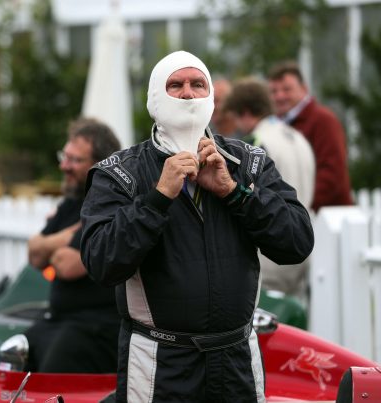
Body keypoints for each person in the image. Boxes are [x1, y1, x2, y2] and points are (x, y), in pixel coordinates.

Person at [80, 50, 314, 402]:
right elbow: (101, 262)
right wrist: (158, 198)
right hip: (160, 364)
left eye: (197, 84)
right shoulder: (120, 173)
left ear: (211, 97)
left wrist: (234, 194)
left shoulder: (246, 162)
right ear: (155, 97)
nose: (188, 93)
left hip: (236, 361)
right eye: (176, 85)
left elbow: (297, 241)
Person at [24, 117, 121, 374]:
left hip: (96, 328)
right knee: (14, 355)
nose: (64, 166)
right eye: (64, 157)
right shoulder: (72, 203)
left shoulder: (109, 204)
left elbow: (67, 265)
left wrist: (50, 247)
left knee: (55, 369)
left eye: (75, 160)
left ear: (99, 165)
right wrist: (71, 234)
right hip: (58, 321)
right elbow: (34, 255)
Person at [224, 77, 315, 301]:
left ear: (245, 112)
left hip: (271, 253)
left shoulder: (256, 143)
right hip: (301, 248)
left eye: (236, 117)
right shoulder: (297, 137)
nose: (236, 125)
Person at [268, 60, 353, 212]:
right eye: (274, 91)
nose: (279, 96)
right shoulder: (276, 126)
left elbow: (332, 175)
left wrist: (297, 206)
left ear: (304, 89)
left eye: (287, 89)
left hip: (329, 217)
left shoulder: (324, 121)